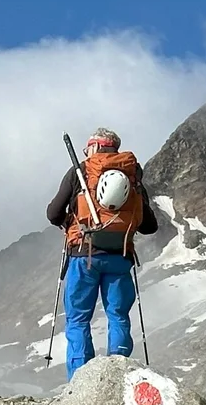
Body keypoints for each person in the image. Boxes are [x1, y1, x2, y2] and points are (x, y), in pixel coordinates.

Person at [45, 128, 159, 377]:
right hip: (119, 256)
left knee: (78, 319)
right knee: (118, 314)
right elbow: (150, 225)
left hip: (83, 255)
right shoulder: (132, 175)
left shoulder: (81, 170)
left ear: (95, 146)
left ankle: (79, 377)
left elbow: (53, 212)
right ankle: (118, 369)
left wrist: (69, 222)